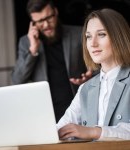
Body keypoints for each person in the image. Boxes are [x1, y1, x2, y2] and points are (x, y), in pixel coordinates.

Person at [12, 0, 92, 122]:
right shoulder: (25, 42)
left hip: (78, 108)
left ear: (55, 12)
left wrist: (90, 78)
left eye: (49, 18)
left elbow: (98, 66)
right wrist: (33, 50)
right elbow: (17, 79)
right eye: (39, 21)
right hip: (44, 112)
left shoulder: (78, 33)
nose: (45, 25)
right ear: (33, 23)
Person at [57, 8, 130, 140]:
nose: (93, 43)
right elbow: (61, 128)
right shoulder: (85, 89)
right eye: (88, 36)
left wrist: (93, 132)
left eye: (101, 34)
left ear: (118, 36)